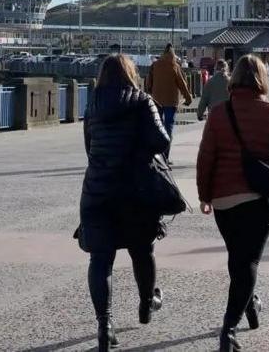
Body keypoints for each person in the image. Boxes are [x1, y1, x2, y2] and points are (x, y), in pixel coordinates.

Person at [196, 54, 269, 351]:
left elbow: (206, 159)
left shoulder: (218, 113)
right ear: (261, 78)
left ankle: (249, 303)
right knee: (249, 260)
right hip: (258, 200)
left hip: (224, 201)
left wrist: (205, 196)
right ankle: (228, 329)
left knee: (237, 257)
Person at [79, 55, 171, 351]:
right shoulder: (143, 101)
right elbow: (162, 140)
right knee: (142, 250)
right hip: (135, 190)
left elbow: (89, 146)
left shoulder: (93, 105)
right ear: (131, 74)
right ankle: (146, 303)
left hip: (98, 188)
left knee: (100, 259)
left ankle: (104, 325)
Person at [145, 44, 193, 161]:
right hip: (171, 102)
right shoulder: (174, 66)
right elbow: (182, 84)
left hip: (157, 100)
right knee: (168, 127)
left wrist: (150, 91)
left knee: (158, 126)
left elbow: (148, 82)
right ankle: (166, 155)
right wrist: (188, 98)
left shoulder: (155, 65)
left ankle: (158, 155)